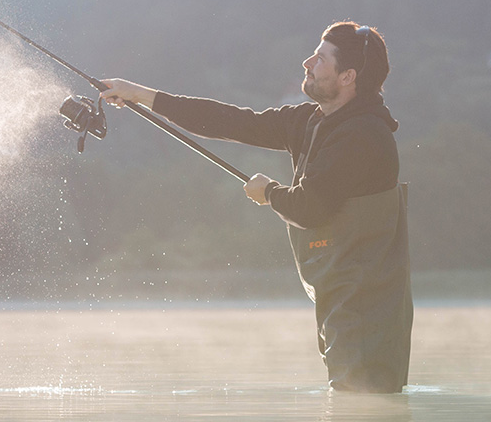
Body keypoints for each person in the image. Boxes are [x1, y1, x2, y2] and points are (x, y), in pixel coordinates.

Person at [99, 21, 412, 393]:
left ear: (348, 77)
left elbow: (309, 207)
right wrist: (139, 94)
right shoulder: (311, 121)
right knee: (351, 396)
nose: (307, 63)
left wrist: (269, 193)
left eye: (320, 58)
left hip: (365, 305)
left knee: (360, 400)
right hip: (341, 296)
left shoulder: (363, 134)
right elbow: (233, 122)